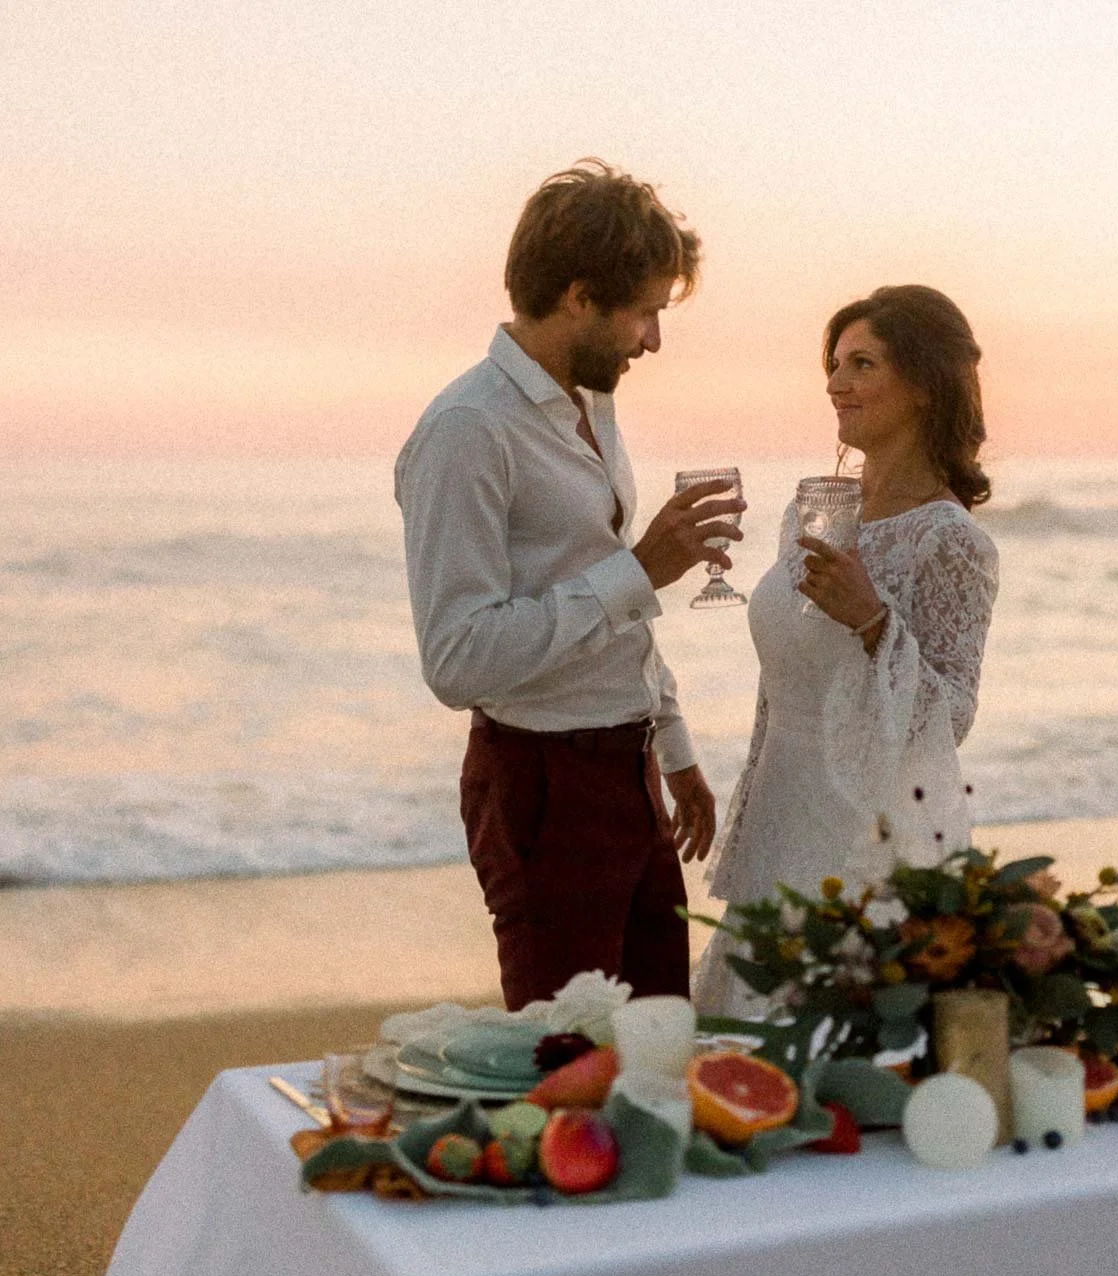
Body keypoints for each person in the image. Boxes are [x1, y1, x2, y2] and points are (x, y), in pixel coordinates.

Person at [395, 160, 744, 1009]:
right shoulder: (467, 433)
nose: (653, 340)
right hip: (544, 792)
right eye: (646, 311)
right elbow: (457, 659)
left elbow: (605, 611)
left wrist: (676, 747)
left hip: (631, 775)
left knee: (664, 1046)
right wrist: (641, 569)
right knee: (570, 1072)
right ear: (582, 297)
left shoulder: (592, 406)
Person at [693, 284, 999, 1016]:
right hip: (781, 815)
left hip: (870, 835)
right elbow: (781, 686)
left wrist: (874, 623)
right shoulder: (812, 509)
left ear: (924, 384)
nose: (836, 384)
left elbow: (952, 716)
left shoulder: (950, 540)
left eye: (863, 364)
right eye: (835, 364)